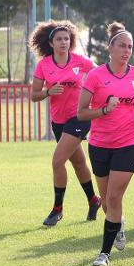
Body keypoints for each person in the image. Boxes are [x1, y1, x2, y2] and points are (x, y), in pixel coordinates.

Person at [77, 22, 134, 266]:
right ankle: (118, 224)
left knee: (115, 197)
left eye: (130, 47)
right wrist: (104, 110)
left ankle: (104, 254)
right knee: (107, 201)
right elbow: (81, 113)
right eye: (122, 46)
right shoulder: (95, 76)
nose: (126, 50)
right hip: (99, 143)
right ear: (110, 48)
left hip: (128, 142)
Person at [29, 20, 100, 226]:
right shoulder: (44, 65)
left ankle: (57, 209)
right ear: (51, 43)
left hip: (79, 117)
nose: (63, 42)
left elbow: (99, 76)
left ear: (71, 41)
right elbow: (34, 95)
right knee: (78, 162)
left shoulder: (81, 61)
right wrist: (48, 92)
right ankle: (93, 200)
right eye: (59, 39)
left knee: (57, 162)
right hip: (58, 121)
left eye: (66, 39)